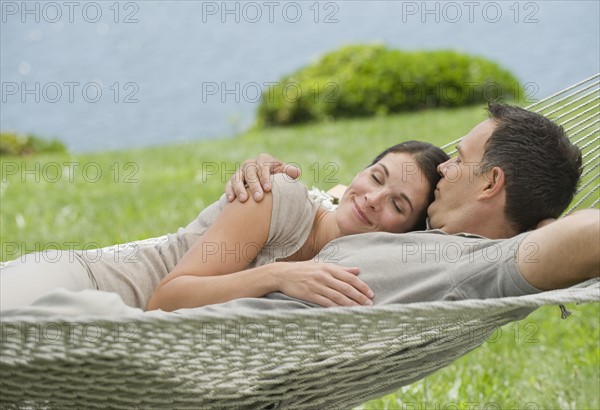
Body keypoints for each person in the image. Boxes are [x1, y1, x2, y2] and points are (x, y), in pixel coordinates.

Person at [221, 102, 598, 309]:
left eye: (459, 159)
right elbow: (348, 196)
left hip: (211, 335)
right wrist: (267, 170)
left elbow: (590, 233)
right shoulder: (428, 233)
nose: (443, 168)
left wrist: (545, 234)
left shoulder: (477, 262)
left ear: (490, 182)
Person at [0, 141, 449, 311]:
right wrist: (277, 275)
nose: (371, 200)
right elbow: (166, 300)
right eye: (375, 176)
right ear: (359, 172)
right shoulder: (280, 197)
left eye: (397, 204)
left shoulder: (357, 263)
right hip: (94, 283)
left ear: (405, 231)